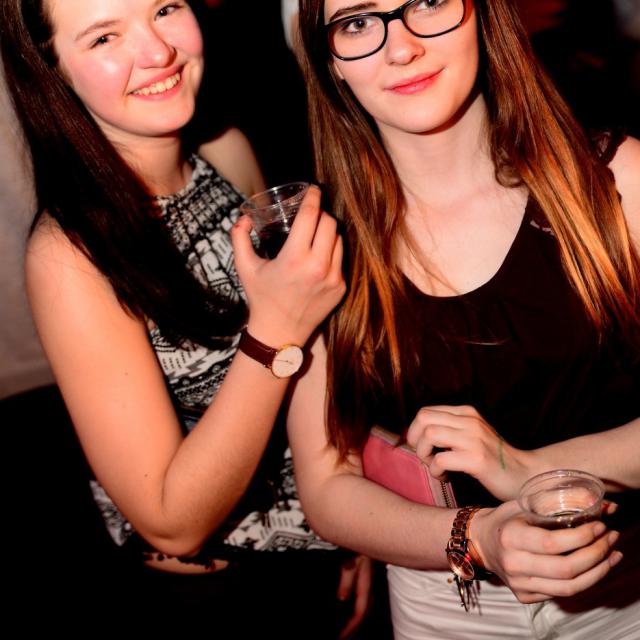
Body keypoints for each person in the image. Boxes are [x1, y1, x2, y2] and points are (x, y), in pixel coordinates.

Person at [0, 0, 372, 636]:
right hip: (218, 596)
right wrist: (275, 331)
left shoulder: (226, 153)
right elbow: (172, 522)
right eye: (104, 37)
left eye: (165, 8)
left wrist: (355, 515)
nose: (158, 52)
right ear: (51, 68)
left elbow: (310, 377)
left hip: (319, 555)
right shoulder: (71, 255)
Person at [287, 0, 640, 638]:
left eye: (427, 1)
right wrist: (477, 538)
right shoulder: (319, 247)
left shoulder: (617, 183)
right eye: (357, 22)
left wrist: (524, 466)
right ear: (330, 60)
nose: (402, 48)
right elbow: (327, 485)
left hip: (625, 593)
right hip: (447, 607)